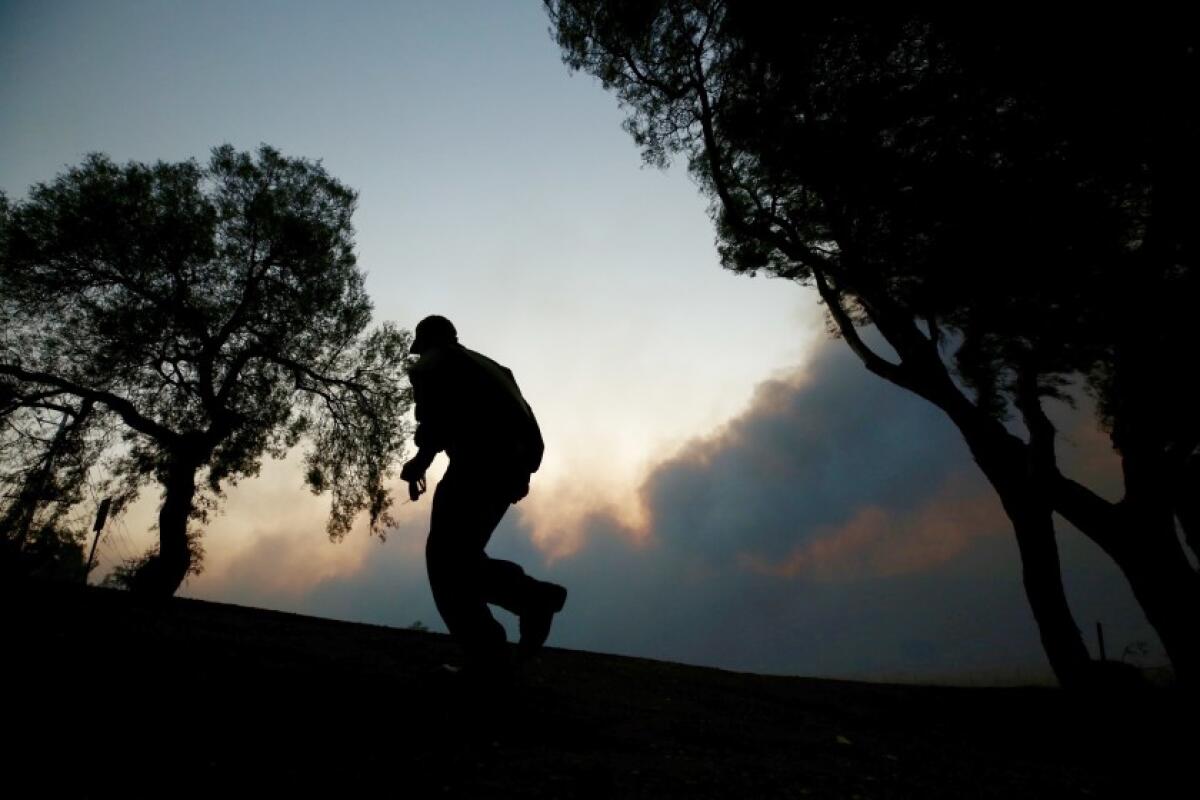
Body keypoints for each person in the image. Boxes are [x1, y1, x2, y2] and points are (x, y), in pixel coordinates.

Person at [400, 315, 567, 677]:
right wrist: (520, 473)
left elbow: (436, 422)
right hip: (507, 471)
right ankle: (529, 604)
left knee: (445, 561)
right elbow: (524, 419)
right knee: (460, 558)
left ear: (427, 343)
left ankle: (492, 650)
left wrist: (420, 462)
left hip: (476, 467)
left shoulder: (434, 364)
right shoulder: (493, 368)